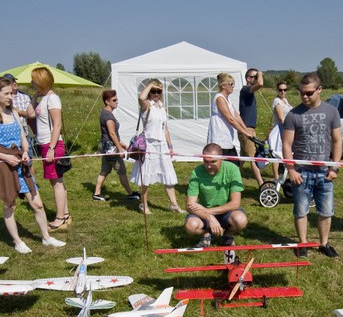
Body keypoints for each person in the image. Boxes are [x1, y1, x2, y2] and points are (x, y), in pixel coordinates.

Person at [0, 76, 65, 254]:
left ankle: (46, 237)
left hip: (21, 163)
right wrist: (4, 157)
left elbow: (24, 139)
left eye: (12, 93)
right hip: (3, 165)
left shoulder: (14, 113)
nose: (11, 96)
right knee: (10, 204)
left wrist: (25, 152)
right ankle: (17, 241)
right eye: (7, 93)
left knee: (37, 203)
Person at [282, 73, 342, 258]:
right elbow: (286, 144)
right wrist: (291, 169)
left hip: (324, 172)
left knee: (326, 210)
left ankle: (324, 243)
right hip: (301, 172)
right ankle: (303, 244)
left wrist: (334, 168)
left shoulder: (332, 112)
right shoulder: (293, 114)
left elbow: (337, 141)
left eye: (309, 93)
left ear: (319, 90)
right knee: (301, 210)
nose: (304, 97)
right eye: (301, 93)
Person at [185, 143, 247, 263]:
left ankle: (228, 234)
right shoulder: (196, 172)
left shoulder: (232, 169)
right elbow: (189, 205)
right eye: (205, 161)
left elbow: (235, 203)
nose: (208, 166)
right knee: (190, 226)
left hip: (226, 212)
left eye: (213, 162)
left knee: (241, 220)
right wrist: (208, 216)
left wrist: (208, 212)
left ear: (222, 159)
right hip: (203, 213)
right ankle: (206, 234)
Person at [129, 80, 183, 214]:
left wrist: (170, 146)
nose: (156, 94)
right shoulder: (147, 105)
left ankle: (174, 204)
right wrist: (150, 86)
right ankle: (144, 205)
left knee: (167, 174)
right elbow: (141, 97)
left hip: (162, 145)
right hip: (149, 145)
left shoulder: (161, 106)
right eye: (153, 91)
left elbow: (165, 129)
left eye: (159, 91)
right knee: (145, 177)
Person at [31, 66, 71, 230]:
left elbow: (57, 124)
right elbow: (30, 114)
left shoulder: (53, 99)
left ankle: (60, 218)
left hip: (51, 144)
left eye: (34, 80)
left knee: (57, 183)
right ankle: (66, 215)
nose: (32, 83)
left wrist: (52, 148)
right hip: (45, 144)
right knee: (57, 181)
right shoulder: (44, 98)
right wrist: (34, 97)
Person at [93, 90, 139, 202]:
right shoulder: (108, 115)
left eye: (117, 99)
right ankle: (131, 193)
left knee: (105, 170)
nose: (116, 102)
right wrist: (119, 148)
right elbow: (112, 133)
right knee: (121, 170)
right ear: (107, 101)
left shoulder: (106, 113)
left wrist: (122, 144)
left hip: (107, 147)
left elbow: (113, 134)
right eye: (114, 100)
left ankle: (96, 194)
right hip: (111, 149)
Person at [207, 73, 255, 166]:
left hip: (227, 137)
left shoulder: (227, 99)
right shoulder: (219, 98)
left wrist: (246, 129)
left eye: (233, 84)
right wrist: (245, 133)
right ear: (223, 85)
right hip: (219, 137)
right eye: (231, 84)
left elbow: (236, 115)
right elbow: (230, 119)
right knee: (224, 165)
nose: (233, 86)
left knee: (234, 165)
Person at [238, 69, 264, 185]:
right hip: (246, 129)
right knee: (253, 157)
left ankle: (230, 180)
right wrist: (261, 74)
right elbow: (260, 84)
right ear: (249, 78)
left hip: (249, 128)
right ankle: (261, 184)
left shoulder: (249, 93)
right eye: (255, 76)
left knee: (243, 157)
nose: (257, 78)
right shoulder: (245, 90)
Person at [267, 81, 292, 157]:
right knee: (277, 152)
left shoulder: (285, 100)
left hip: (285, 128)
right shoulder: (277, 101)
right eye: (280, 90)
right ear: (277, 90)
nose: (283, 92)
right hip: (280, 128)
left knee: (283, 150)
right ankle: (276, 169)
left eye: (285, 90)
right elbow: (281, 118)